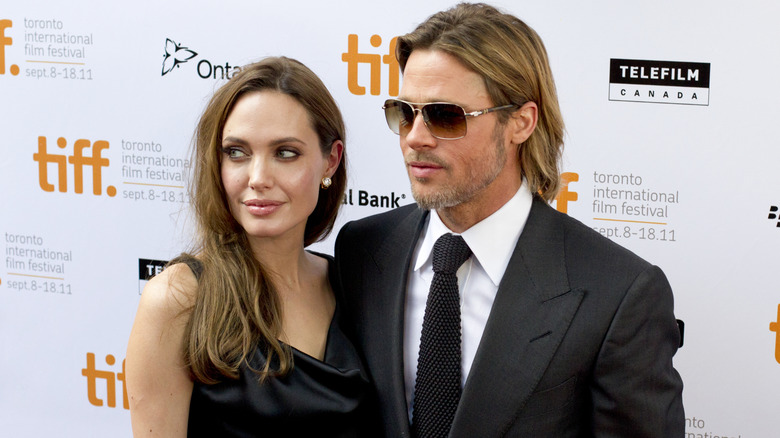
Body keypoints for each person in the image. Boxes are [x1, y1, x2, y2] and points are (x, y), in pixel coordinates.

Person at [335, 3, 684, 437]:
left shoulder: (618, 293)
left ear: (520, 122)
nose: (415, 138)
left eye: (445, 116)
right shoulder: (362, 250)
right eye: (405, 113)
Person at [126, 57, 374, 437]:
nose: (258, 178)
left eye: (285, 153)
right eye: (237, 152)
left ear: (331, 160)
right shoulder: (178, 299)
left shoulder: (355, 285)